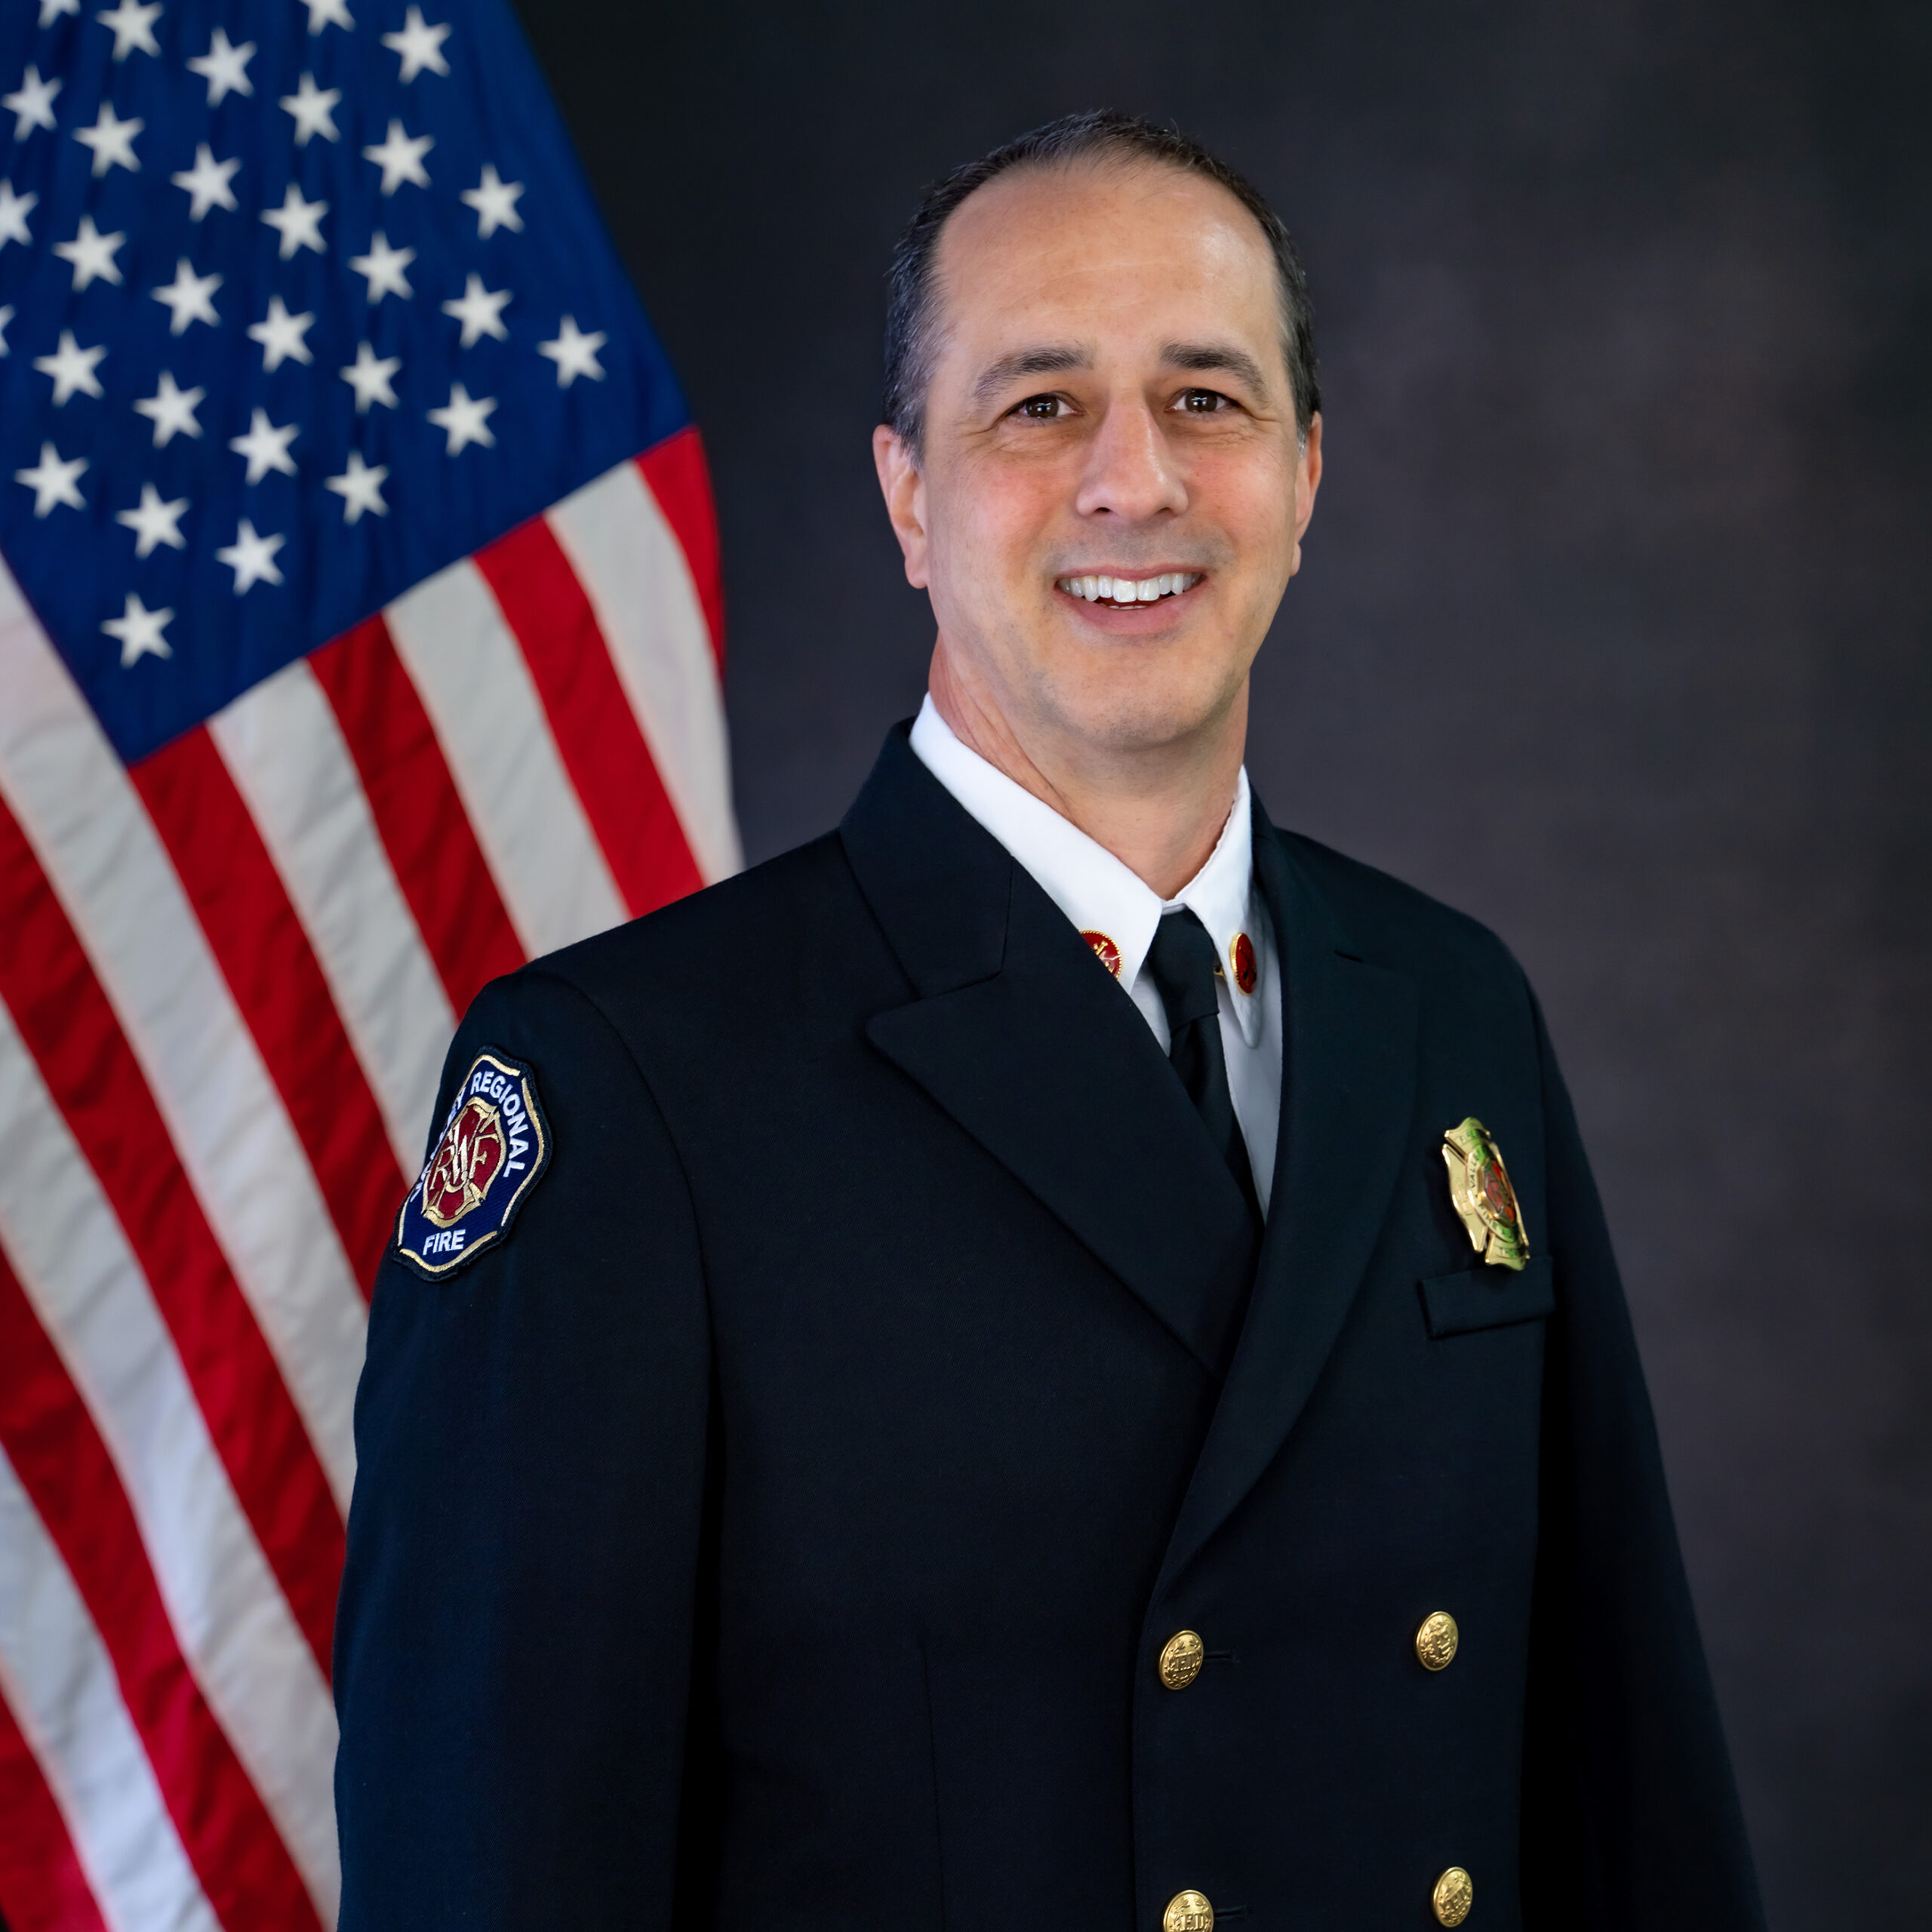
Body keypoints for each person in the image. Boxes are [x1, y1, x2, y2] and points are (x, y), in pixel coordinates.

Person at [333, 111, 1765, 1931]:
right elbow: (493, 1875)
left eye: (1205, 398)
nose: (1130, 480)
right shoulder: (629, 1079)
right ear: (906, 495)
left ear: (1306, 476)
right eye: (1036, 407)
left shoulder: (1447, 1007)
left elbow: (1619, 1776)